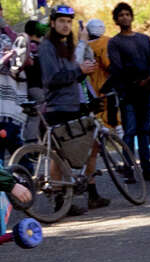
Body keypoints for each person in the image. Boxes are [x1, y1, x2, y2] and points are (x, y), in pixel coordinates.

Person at [39, 5, 110, 211]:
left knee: (91, 145)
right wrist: (78, 68)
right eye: (61, 21)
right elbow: (52, 78)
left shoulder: (63, 44)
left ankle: (91, 192)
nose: (65, 25)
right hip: (57, 107)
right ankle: (61, 202)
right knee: (60, 155)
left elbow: (70, 76)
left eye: (69, 22)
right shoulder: (47, 47)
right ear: (52, 23)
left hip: (72, 104)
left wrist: (83, 71)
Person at [107, 4, 150, 180]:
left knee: (144, 131)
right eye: (120, 15)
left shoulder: (144, 39)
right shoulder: (114, 43)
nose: (124, 18)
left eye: (127, 14)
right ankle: (129, 169)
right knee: (130, 132)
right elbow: (117, 68)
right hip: (128, 94)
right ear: (116, 20)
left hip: (146, 91)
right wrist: (135, 83)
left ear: (132, 17)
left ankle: (148, 169)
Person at [0, 32, 30, 160]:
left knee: (20, 158)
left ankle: (26, 178)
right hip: (6, 111)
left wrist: (14, 55)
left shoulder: (7, 38)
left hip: (11, 112)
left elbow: (21, 62)